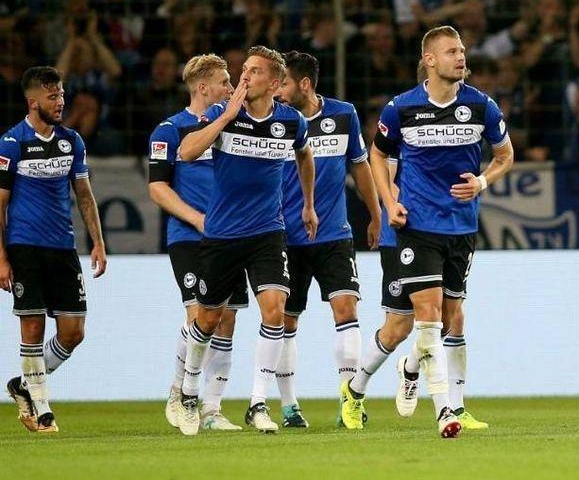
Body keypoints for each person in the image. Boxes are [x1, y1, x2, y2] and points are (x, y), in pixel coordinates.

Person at [354, 25, 514, 437]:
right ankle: (446, 411)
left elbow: (505, 155)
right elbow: (377, 155)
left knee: (450, 319)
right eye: (451, 51)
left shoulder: (481, 106)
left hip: (461, 226)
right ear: (429, 60)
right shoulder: (401, 109)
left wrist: (482, 182)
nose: (461, 57)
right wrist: (389, 203)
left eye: (462, 50)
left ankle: (411, 368)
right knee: (425, 319)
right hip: (417, 226)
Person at [175, 46, 317, 436]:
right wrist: (225, 117)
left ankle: (257, 403)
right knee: (207, 320)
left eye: (254, 72)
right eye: (244, 70)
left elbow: (305, 156)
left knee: (275, 310)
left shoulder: (290, 121)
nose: (244, 77)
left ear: (274, 83)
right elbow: (186, 152)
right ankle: (189, 393)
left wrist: (308, 204)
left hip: (267, 232)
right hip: (222, 235)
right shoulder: (223, 113)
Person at [274, 51, 381, 429]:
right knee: (286, 321)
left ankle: (348, 400)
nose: (278, 91)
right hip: (287, 236)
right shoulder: (275, 121)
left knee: (346, 310)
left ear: (304, 84)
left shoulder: (343, 115)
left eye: (284, 83)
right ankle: (289, 405)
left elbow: (360, 166)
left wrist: (375, 213)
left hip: (335, 233)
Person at [2, 66, 107, 433]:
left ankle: (23, 385)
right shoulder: (12, 143)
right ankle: (42, 406)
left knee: (73, 332)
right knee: (32, 325)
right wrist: (1, 258)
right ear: (33, 102)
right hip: (24, 246)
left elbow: (85, 195)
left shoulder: (71, 141)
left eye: (61, 94)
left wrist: (98, 241)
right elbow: (0, 204)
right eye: (52, 96)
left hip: (63, 247)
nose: (61, 101)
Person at [148, 53, 247, 432]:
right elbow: (158, 188)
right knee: (199, 316)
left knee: (226, 321)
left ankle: (212, 409)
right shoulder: (170, 130)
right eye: (224, 82)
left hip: (231, 236)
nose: (231, 88)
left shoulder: (235, 126)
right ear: (203, 87)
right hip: (189, 236)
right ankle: (179, 392)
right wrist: (197, 219)